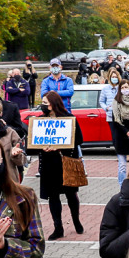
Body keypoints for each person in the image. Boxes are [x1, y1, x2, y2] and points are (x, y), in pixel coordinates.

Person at [27, 91, 83, 240]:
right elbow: (31, 144)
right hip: (48, 163)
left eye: (46, 102)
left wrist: (60, 146)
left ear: (54, 103)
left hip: (65, 162)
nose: (43, 105)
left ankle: (76, 221)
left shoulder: (69, 119)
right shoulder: (40, 120)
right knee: (53, 196)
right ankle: (58, 227)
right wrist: (41, 147)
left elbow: (79, 139)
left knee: (71, 194)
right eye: (43, 102)